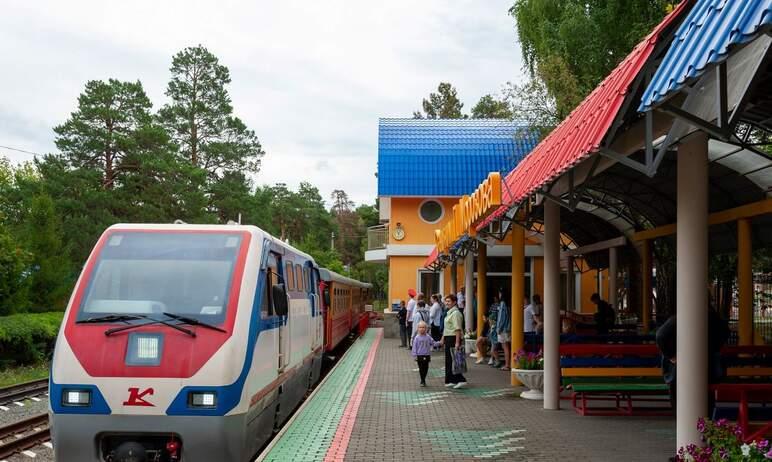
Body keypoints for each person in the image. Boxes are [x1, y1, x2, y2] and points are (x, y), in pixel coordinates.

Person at [655, 306, 729, 412]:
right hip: (706, 366)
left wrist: (672, 356)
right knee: (705, 404)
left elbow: (661, 336)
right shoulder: (712, 318)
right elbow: (725, 333)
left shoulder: (680, 318)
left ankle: (686, 426)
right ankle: (702, 425)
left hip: (680, 369)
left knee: (681, 404)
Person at [440, 294, 467, 389]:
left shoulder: (456, 313)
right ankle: (450, 380)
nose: (447, 303)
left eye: (449, 301)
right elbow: (447, 327)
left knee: (455, 360)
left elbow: (458, 329)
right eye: (446, 301)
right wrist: (443, 338)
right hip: (448, 337)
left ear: (454, 302)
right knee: (449, 360)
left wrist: (457, 342)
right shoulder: (449, 312)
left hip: (454, 337)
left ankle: (461, 379)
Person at [412, 321, 437, 387]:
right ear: (418, 328)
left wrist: (440, 343)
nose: (422, 329)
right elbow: (414, 347)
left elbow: (433, 343)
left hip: (427, 355)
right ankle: (422, 380)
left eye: (423, 327)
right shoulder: (417, 338)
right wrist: (415, 355)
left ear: (426, 328)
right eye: (420, 327)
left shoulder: (428, 337)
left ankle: (423, 379)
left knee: (426, 368)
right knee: (421, 368)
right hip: (419, 355)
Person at [496, 289, 511, 371]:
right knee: (507, 347)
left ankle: (507, 365)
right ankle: (508, 364)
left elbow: (501, 317)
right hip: (507, 328)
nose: (499, 295)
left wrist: (498, 328)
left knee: (505, 347)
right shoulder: (508, 304)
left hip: (503, 329)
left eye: (499, 293)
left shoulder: (502, 304)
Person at [487, 297, 500, 367]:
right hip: (493, 339)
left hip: (495, 339)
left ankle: (497, 361)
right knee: (493, 350)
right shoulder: (492, 327)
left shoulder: (494, 327)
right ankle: (496, 361)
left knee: (493, 350)